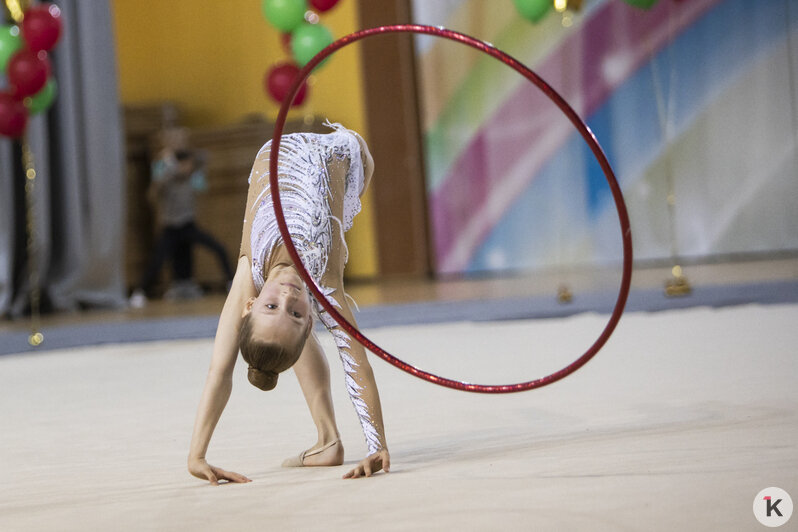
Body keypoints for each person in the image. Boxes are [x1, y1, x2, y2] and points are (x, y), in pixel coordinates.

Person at [187, 122, 389, 484]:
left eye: (269, 306)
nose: (287, 296)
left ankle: (327, 437)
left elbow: (219, 370)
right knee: (288, 335)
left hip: (276, 151)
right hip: (349, 152)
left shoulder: (248, 277)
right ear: (312, 320)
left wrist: (196, 455)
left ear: (250, 305)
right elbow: (359, 368)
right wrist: (378, 447)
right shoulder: (325, 285)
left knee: (283, 335)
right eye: (296, 313)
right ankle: (328, 438)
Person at [130, 128, 234, 308]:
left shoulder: (192, 166)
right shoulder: (162, 167)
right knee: (157, 260)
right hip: (170, 225)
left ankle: (231, 282)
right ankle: (140, 292)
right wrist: (170, 168)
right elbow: (153, 193)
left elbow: (201, 178)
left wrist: (191, 165)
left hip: (188, 223)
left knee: (218, 249)